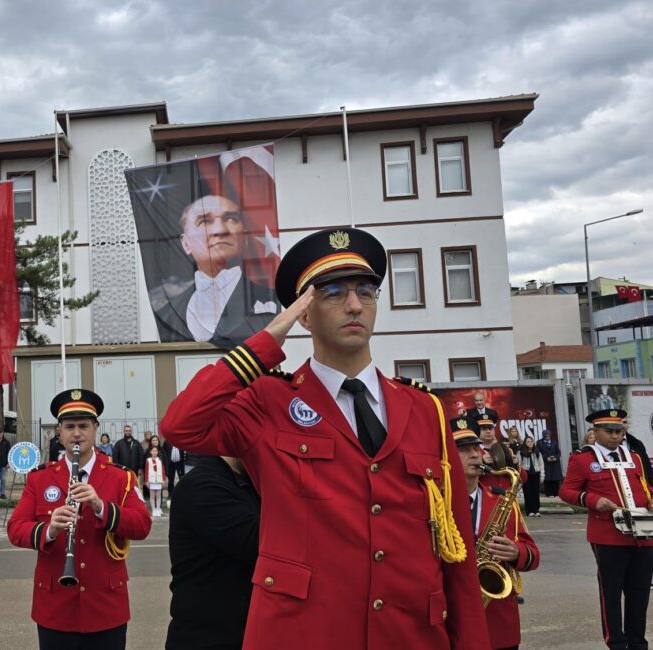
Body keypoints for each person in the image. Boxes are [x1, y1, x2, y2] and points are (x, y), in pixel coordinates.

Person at [160, 227, 488, 649]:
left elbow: (456, 552)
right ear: (304, 313)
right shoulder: (269, 401)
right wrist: (268, 339)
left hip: (412, 636)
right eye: (332, 292)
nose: (354, 305)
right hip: (305, 634)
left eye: (366, 291)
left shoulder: (426, 410)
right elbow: (181, 425)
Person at [7, 388, 152, 649]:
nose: (77, 433)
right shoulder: (40, 478)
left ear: (95, 429)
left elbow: (142, 525)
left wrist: (100, 507)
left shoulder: (121, 477)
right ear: (59, 433)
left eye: (84, 426)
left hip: (106, 606)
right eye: (69, 426)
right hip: (55, 608)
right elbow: (15, 528)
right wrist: (49, 530)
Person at [561, 409, 653, 650]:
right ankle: (616, 642)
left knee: (640, 590)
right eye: (609, 431)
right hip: (608, 535)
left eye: (619, 431)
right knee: (611, 592)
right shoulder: (582, 459)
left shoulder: (634, 455)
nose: (615, 436)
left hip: (643, 532)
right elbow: (566, 491)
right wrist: (592, 500)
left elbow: (645, 487)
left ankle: (637, 642)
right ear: (596, 431)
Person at [452, 419, 540, 650]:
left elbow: (532, 555)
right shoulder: (433, 504)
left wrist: (515, 552)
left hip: (499, 623)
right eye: (463, 450)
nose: (474, 455)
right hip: (452, 618)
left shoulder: (503, 501)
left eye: (475, 448)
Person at [152, 195, 278, 346]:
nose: (220, 230)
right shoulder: (168, 315)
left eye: (231, 219)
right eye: (204, 221)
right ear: (186, 243)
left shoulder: (273, 299)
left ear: (244, 238)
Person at [166, 455, 259, 650]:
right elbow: (258, 542)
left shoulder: (250, 481)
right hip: (208, 638)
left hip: (242, 632)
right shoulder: (202, 484)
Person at [519, 435, 543, 517]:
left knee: (536, 493)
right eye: (528, 442)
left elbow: (541, 465)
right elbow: (519, 465)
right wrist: (520, 477)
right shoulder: (521, 452)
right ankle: (529, 511)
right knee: (528, 493)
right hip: (526, 474)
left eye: (531, 441)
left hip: (536, 474)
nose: (530, 443)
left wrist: (542, 476)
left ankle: (536, 510)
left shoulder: (537, 452)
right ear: (525, 443)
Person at [537, 430, 563, 497]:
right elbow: (538, 453)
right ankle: (549, 493)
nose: (548, 437)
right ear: (544, 436)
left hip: (555, 463)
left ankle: (556, 493)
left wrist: (556, 458)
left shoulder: (554, 442)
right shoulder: (540, 443)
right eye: (546, 435)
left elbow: (558, 452)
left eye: (549, 435)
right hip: (546, 463)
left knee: (555, 478)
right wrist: (546, 458)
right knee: (547, 478)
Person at [162, 436, 187, 500]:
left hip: (179, 463)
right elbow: (163, 452)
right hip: (170, 464)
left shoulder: (180, 442)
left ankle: (182, 494)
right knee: (171, 480)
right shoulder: (167, 442)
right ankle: (171, 494)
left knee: (182, 479)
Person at [145, 446, 165, 517]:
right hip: (151, 480)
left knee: (158, 496)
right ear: (150, 452)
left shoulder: (160, 460)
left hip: (159, 480)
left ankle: (158, 508)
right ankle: (153, 509)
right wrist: (147, 480)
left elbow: (163, 470)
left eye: (156, 451)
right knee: (152, 496)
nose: (154, 452)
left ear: (157, 452)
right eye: (153, 451)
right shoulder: (148, 460)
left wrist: (163, 480)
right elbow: (146, 470)